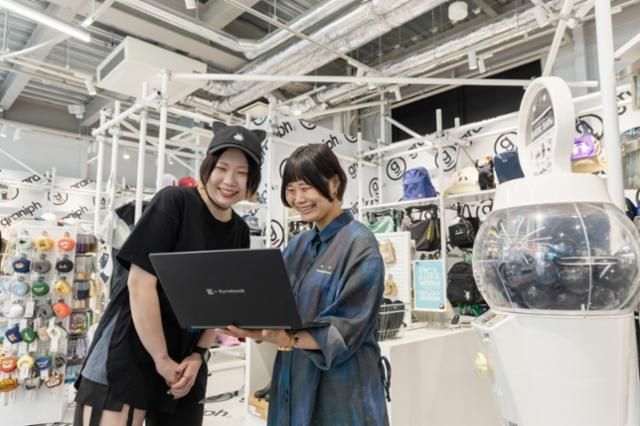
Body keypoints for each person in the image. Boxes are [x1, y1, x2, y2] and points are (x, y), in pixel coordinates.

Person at [73, 122, 265, 426]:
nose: (230, 181)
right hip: (132, 345)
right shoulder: (175, 202)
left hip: (186, 357)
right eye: (222, 168)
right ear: (208, 166)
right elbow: (140, 284)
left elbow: (218, 302)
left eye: (242, 173)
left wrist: (198, 354)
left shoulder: (239, 231)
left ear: (252, 179)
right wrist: (161, 359)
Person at [222, 144, 390, 425]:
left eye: (306, 188)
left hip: (342, 390)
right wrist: (248, 321)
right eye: (291, 190)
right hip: (293, 379)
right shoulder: (299, 245)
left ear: (334, 183)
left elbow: (346, 329)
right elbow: (275, 304)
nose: (298, 199)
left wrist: (287, 339)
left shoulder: (360, 244)